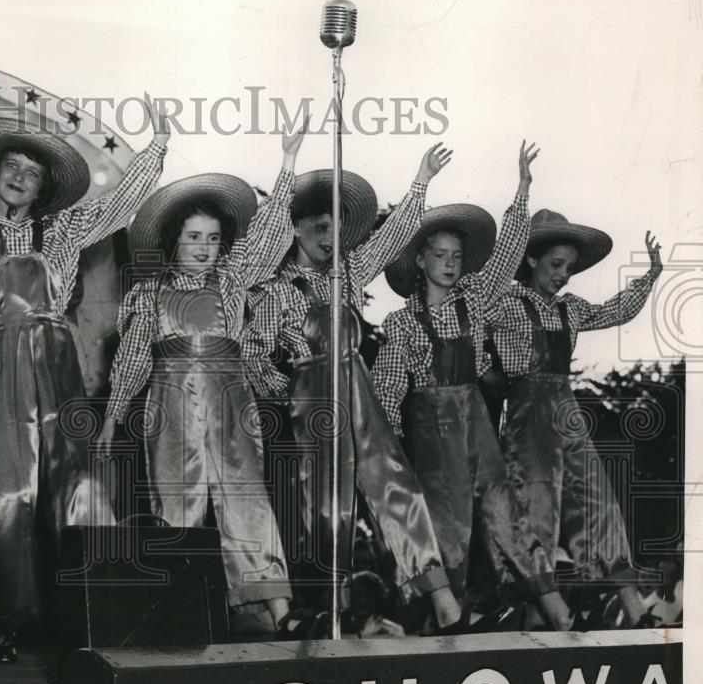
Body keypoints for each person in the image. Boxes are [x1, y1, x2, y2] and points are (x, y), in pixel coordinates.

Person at [0, 97, 169, 662]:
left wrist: (156, 149)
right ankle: (9, 621)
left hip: (59, 358)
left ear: (43, 186)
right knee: (10, 491)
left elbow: (121, 203)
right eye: (12, 167)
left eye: (33, 171)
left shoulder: (65, 230)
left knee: (79, 482)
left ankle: (95, 609)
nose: (21, 178)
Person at [243, 145, 468, 634]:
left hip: (358, 389)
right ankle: (332, 609)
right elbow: (254, 351)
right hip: (313, 400)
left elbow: (391, 240)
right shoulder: (274, 289)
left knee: (396, 483)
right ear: (295, 229)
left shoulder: (347, 277)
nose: (330, 238)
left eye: (338, 228)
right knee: (326, 506)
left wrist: (421, 180)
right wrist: (289, 390)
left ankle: (442, 596)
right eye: (320, 227)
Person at [96, 125, 308, 639]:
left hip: (230, 400)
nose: (204, 247)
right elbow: (129, 362)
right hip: (169, 406)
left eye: (213, 239)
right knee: (177, 502)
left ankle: (279, 610)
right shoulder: (146, 296)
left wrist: (287, 163)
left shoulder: (233, 281)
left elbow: (271, 235)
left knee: (247, 497)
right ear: (172, 242)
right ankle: (183, 614)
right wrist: (110, 420)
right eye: (193, 237)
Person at [373, 141, 580, 629]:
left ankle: (553, 609)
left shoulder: (477, 301)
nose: (450, 263)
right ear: (420, 262)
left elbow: (508, 252)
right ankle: (445, 617)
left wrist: (522, 190)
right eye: (440, 255)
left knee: (505, 512)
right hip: (430, 425)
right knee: (450, 524)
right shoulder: (401, 322)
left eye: (457, 256)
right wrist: (392, 447)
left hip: (476, 420)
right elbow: (385, 390)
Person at [488, 210, 664, 628]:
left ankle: (634, 609)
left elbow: (614, 312)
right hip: (528, 415)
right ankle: (548, 617)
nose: (564, 275)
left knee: (599, 501)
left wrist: (650, 276)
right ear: (530, 260)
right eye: (555, 265)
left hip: (566, 410)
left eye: (569, 267)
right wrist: (486, 373)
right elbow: (471, 330)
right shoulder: (506, 304)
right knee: (537, 509)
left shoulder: (572, 309)